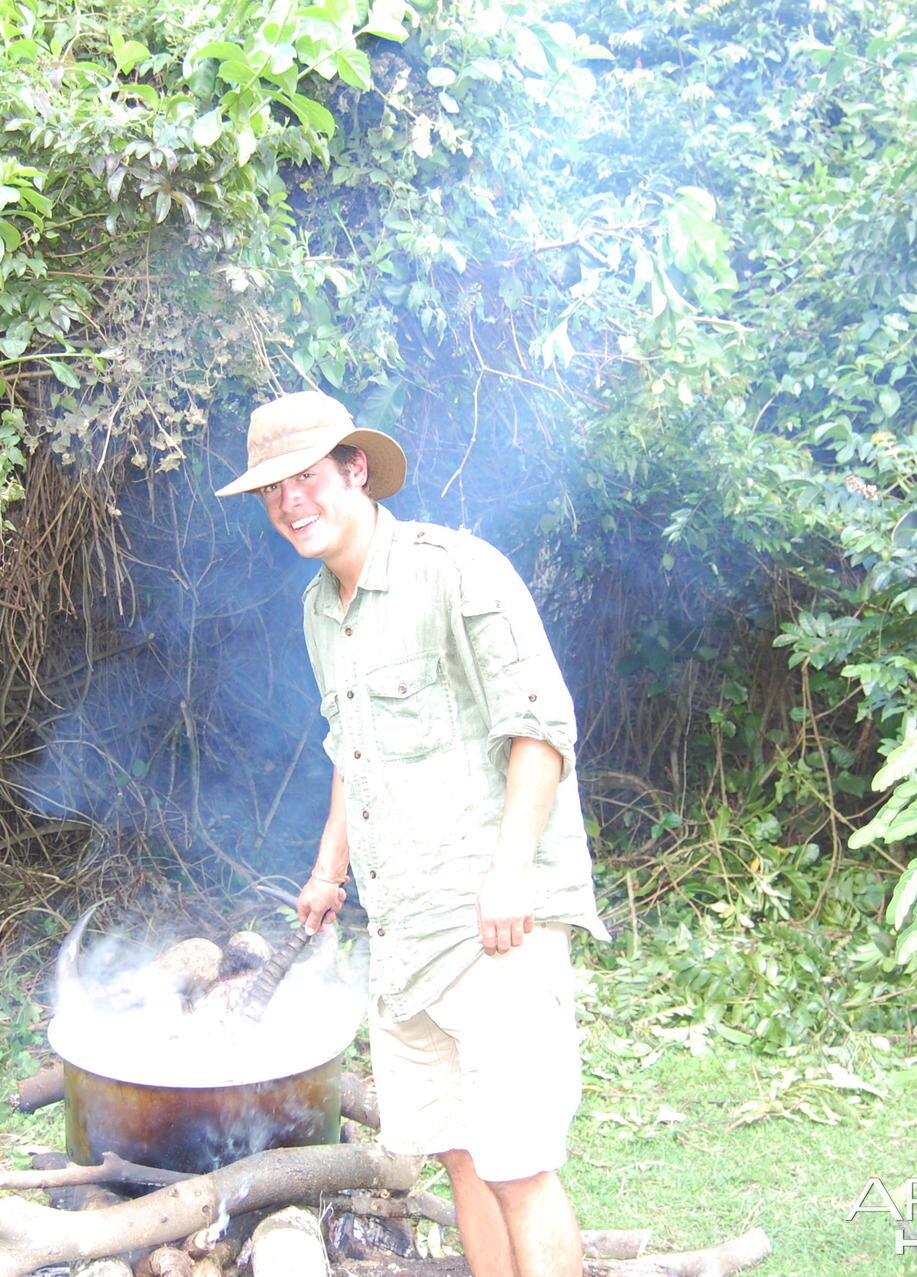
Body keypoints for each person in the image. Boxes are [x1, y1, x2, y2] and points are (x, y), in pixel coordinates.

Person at [215, 390, 610, 1277]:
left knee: (518, 1165)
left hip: (491, 925)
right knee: (463, 1154)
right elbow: (352, 751)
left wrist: (511, 873)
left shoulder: (456, 571)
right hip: (404, 934)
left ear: (355, 471)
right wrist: (328, 869)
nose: (290, 505)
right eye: (272, 492)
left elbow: (541, 726)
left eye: (305, 478)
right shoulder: (322, 610)